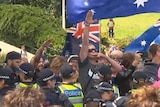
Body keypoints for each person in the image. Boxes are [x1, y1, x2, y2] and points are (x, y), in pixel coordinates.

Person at [78, 10, 121, 95]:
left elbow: (118, 69)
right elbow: (85, 44)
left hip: (103, 97)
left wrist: (106, 57)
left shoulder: (101, 66)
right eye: (90, 51)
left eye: (94, 50)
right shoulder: (84, 63)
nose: (93, 52)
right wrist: (87, 25)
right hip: (89, 97)